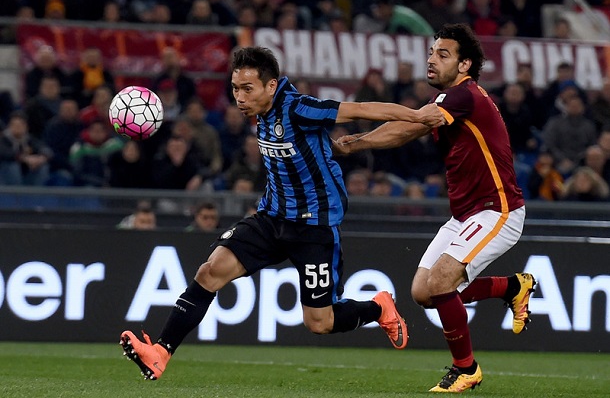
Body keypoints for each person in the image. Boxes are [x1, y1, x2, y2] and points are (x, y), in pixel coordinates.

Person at [119, 46, 444, 380]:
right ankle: (160, 352)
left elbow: (362, 109)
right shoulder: (261, 112)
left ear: (271, 86)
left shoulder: (299, 108)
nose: (240, 97)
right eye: (235, 88)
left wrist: (419, 116)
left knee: (320, 323)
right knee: (210, 272)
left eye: (248, 89)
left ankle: (378, 308)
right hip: (272, 218)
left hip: (314, 226)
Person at [334, 24, 536, 392]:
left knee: (441, 281)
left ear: (464, 65)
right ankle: (512, 287)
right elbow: (409, 129)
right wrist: (356, 143)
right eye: (431, 52)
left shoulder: (464, 95)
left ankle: (466, 369)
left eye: (443, 54)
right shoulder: (447, 101)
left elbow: (413, 124)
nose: (431, 59)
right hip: (466, 214)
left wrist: (357, 131)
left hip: (497, 209)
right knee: (423, 292)